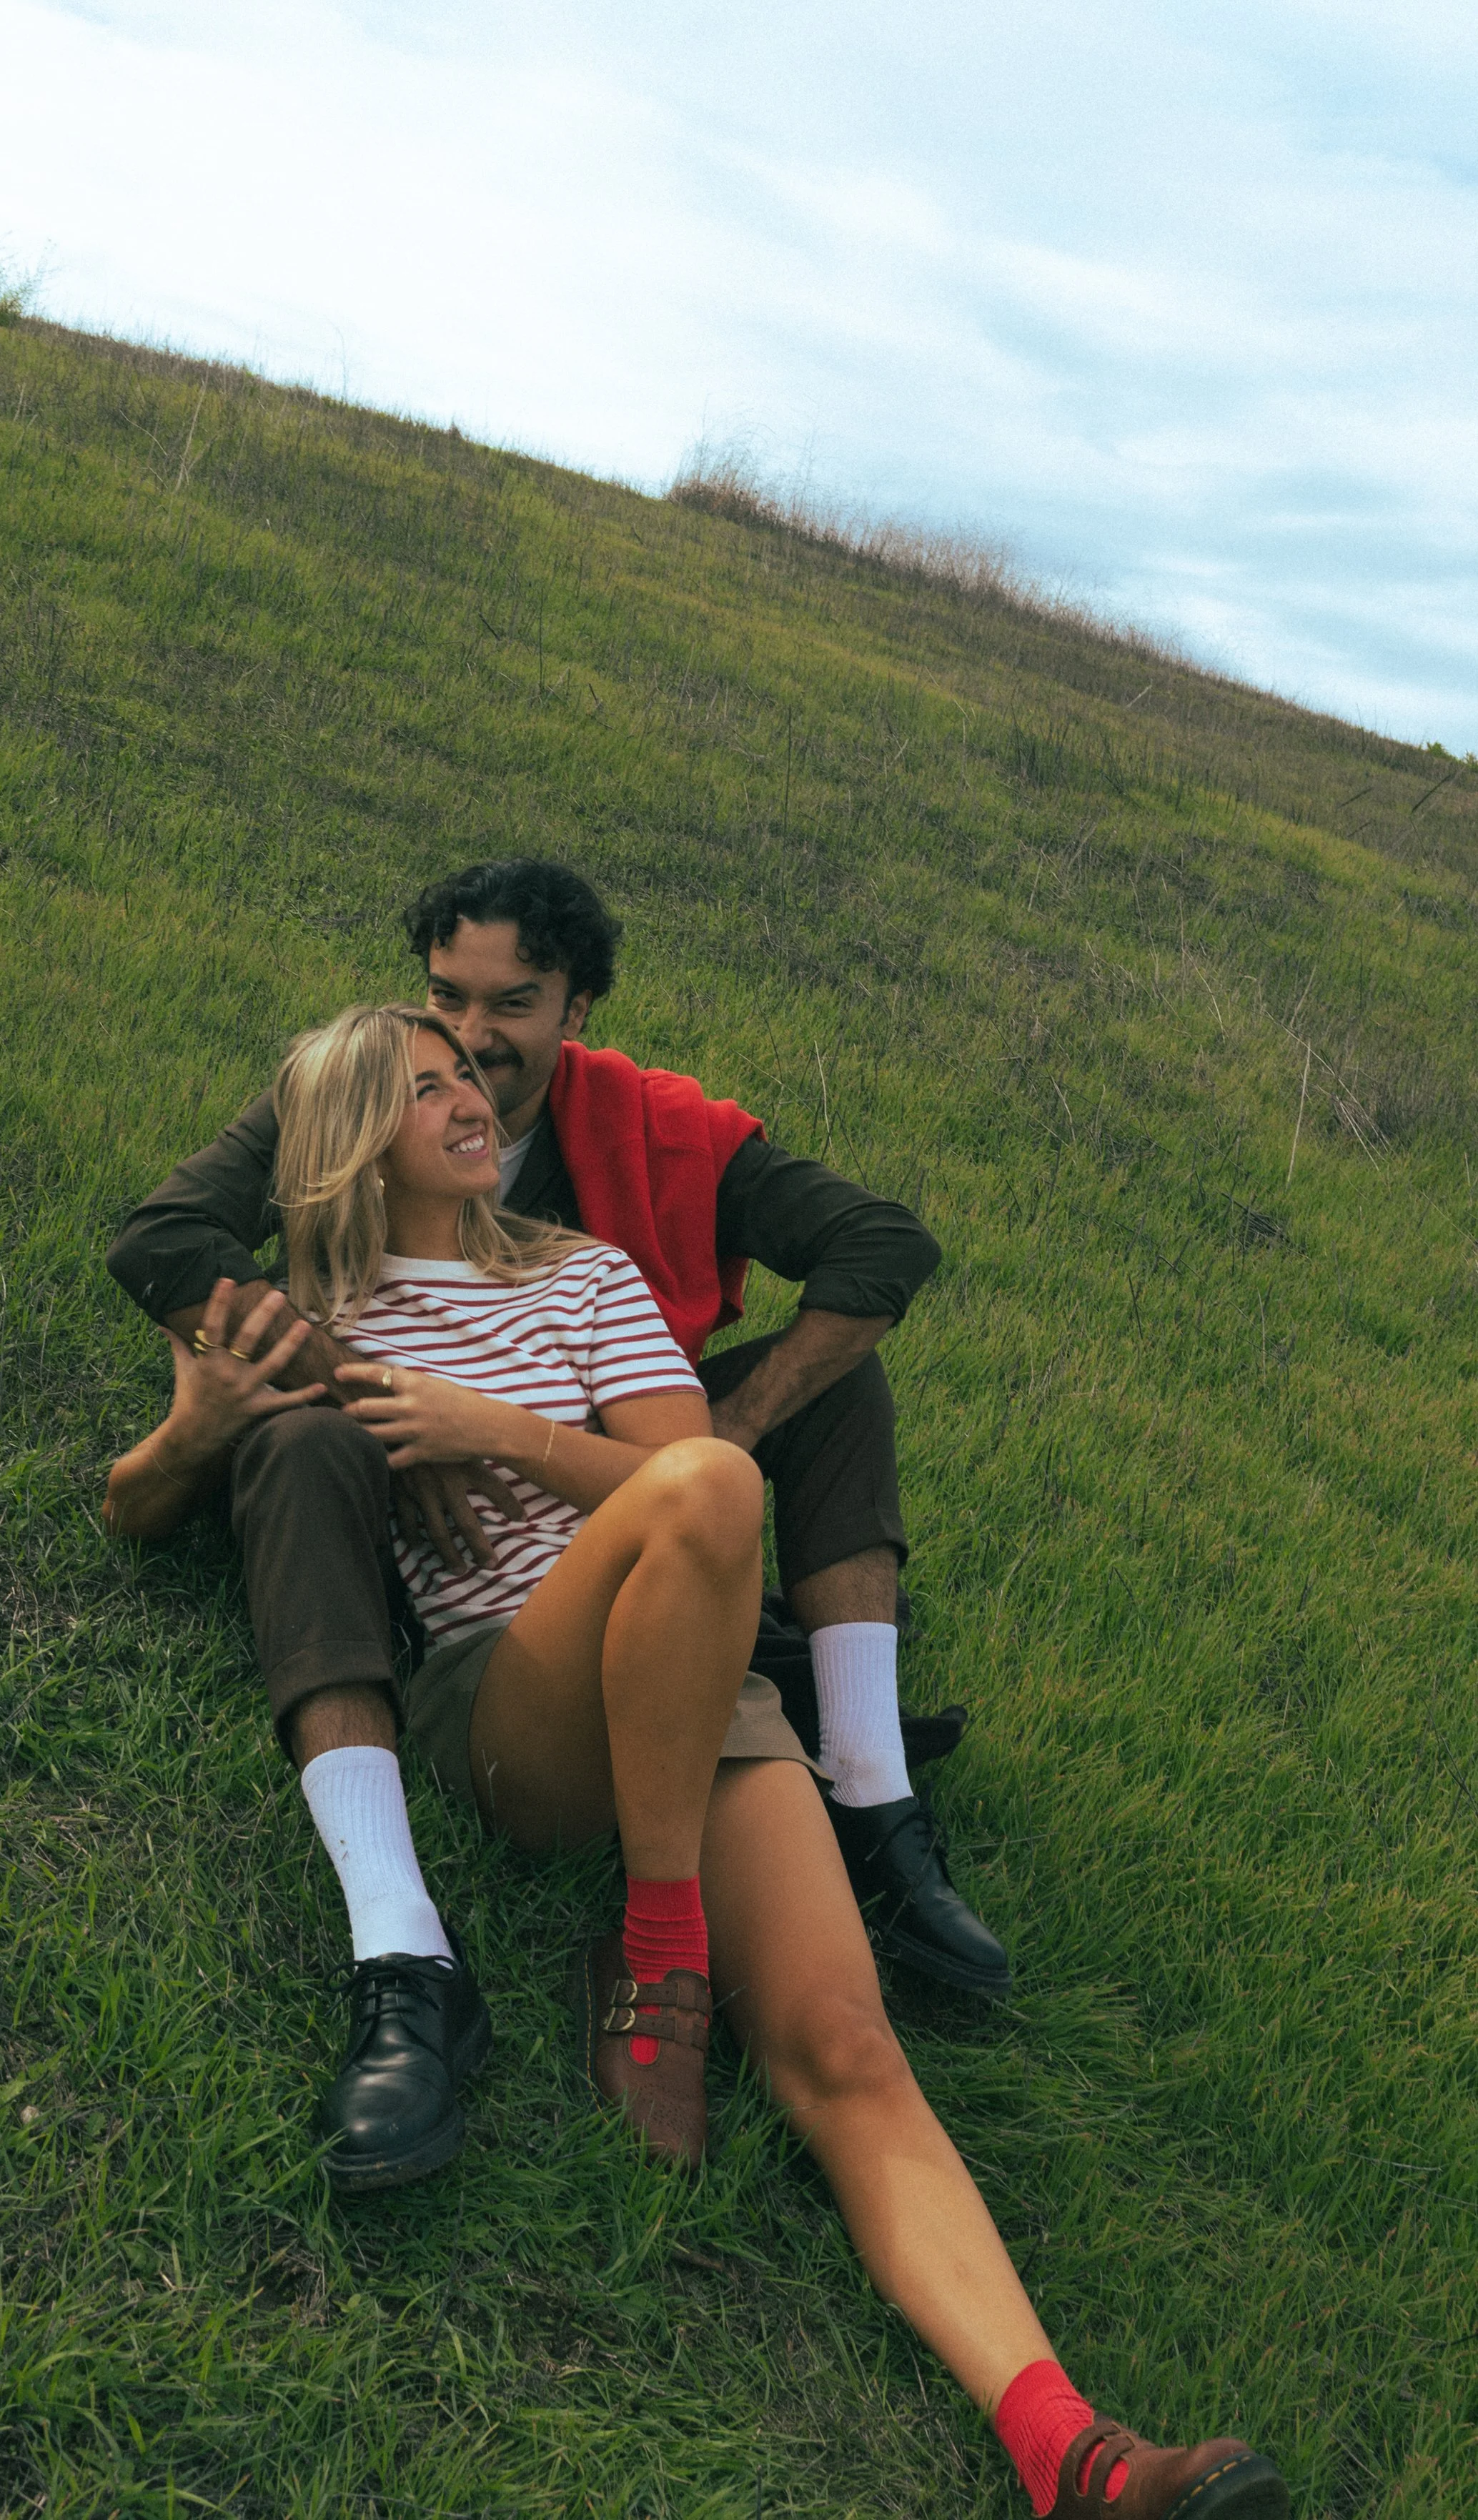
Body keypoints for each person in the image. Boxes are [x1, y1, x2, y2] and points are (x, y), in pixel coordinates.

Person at [106, 1006, 1291, 2520]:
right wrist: (202, 1425)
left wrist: (497, 1433)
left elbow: (693, 1475)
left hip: (700, 1676)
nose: (471, 1098)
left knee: (846, 2049)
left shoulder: (578, 1276)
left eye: (468, 1074)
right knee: (701, 1498)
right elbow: (149, 1508)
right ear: (346, 1134)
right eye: (423, 1090)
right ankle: (656, 1940)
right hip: (514, 1695)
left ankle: (1071, 2451)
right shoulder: (305, 1312)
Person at [106, 862, 1008, 2183]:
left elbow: (881, 1249)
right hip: (491, 1547)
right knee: (303, 1437)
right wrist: (371, 1401)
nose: (472, 1045)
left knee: (830, 1390)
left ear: (577, 1006)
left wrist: (711, 1460)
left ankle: (870, 1781)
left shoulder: (646, 1133)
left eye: (511, 1006)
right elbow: (163, 1237)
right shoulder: (357, 1089)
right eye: (447, 1003)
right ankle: (413, 1947)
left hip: (624, 1423)